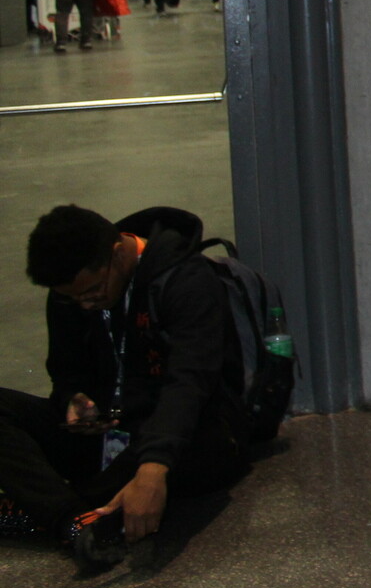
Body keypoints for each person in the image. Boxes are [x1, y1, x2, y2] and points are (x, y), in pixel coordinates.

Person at [0, 206, 250, 569]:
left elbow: (189, 385)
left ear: (118, 253)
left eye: (93, 291)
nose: (85, 304)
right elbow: (67, 371)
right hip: (109, 434)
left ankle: (45, 508)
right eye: (73, 298)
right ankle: (75, 519)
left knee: (195, 437)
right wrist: (74, 399)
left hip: (177, 431)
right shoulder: (72, 291)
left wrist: (153, 469)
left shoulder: (185, 279)